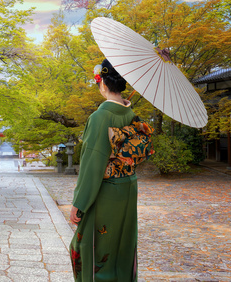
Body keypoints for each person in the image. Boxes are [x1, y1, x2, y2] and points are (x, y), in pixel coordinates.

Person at [69, 59, 141, 281]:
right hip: (128, 188)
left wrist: (79, 204)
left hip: (104, 192)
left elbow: (92, 165)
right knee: (123, 246)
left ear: (103, 84)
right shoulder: (132, 116)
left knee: (91, 247)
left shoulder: (100, 117)